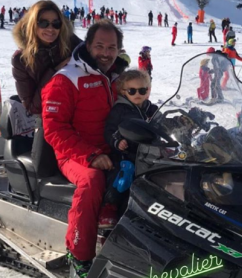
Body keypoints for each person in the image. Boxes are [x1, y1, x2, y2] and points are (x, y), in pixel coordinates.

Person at [41, 19, 128, 277]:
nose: (106, 53)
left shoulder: (117, 77)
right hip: (74, 153)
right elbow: (54, 129)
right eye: (99, 46)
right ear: (88, 46)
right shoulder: (66, 79)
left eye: (111, 47)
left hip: (111, 148)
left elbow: (137, 105)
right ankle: (79, 257)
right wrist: (91, 155)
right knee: (92, 182)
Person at [11, 0, 82, 177]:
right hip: (48, 119)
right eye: (43, 23)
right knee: (43, 171)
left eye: (56, 23)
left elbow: (96, 56)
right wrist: (55, 72)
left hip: (80, 114)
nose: (50, 29)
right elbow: (32, 107)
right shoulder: (21, 59)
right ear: (32, 24)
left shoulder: (71, 43)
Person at [101, 70, 157, 227]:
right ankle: (109, 207)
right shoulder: (120, 110)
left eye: (142, 90)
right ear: (123, 92)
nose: (137, 94)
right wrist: (117, 141)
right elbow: (109, 130)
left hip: (148, 153)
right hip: (126, 154)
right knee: (123, 176)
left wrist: (179, 121)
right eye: (132, 91)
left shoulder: (151, 108)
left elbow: (162, 123)